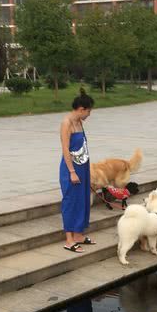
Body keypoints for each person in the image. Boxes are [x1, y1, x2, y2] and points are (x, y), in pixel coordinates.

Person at [59, 88, 96, 253]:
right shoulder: (66, 122)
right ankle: (69, 239)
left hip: (83, 166)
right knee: (70, 201)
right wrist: (72, 171)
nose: (89, 115)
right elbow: (66, 149)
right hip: (71, 168)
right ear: (81, 109)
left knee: (83, 200)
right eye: (88, 111)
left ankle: (79, 234)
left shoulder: (79, 122)